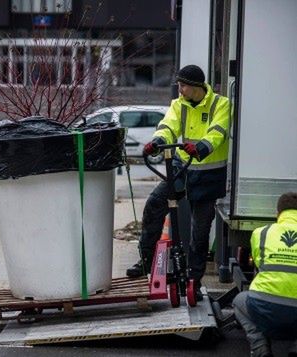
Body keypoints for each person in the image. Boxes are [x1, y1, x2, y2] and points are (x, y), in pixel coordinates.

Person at [126, 64, 231, 301]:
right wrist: (157, 141)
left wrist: (201, 147)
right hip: (181, 170)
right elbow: (168, 125)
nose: (180, 90)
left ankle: (194, 277)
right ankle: (146, 261)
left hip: (208, 175)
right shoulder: (178, 104)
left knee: (200, 230)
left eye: (183, 86)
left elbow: (218, 131)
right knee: (154, 205)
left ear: (195, 87)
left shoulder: (220, 104)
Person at [232, 192, 297, 357]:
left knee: (239, 301)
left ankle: (260, 348)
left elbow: (260, 265)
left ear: (278, 213)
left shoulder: (261, 233)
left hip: (266, 309)